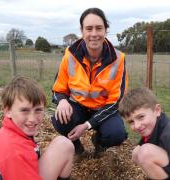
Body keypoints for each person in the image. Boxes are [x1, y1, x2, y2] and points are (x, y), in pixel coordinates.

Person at [51, 7, 128, 155]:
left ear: (106, 30)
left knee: (116, 134)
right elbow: (58, 89)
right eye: (89, 28)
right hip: (78, 107)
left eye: (99, 28)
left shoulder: (118, 59)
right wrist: (62, 101)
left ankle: (99, 142)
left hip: (103, 109)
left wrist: (87, 125)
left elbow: (116, 102)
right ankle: (76, 148)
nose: (94, 34)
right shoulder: (70, 55)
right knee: (60, 119)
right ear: (82, 31)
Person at [0, 76, 74, 180]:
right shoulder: (14, 150)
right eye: (24, 110)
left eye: (38, 110)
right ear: (8, 111)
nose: (32, 119)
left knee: (63, 144)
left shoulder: (11, 133)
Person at [119, 87, 170, 180]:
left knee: (145, 153)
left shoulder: (167, 135)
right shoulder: (153, 128)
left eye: (141, 117)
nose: (137, 125)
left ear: (157, 110)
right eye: (131, 122)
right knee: (136, 153)